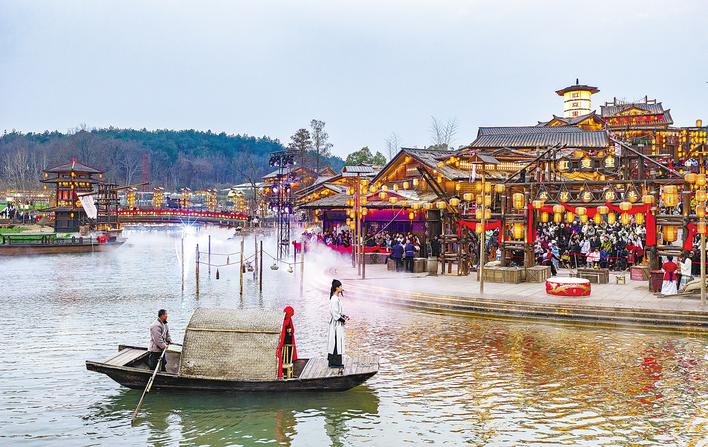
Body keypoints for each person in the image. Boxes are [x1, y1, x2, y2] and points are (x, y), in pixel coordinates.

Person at [327, 280, 348, 369]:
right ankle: (335, 363)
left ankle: (332, 361)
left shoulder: (335, 298)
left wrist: (343, 316)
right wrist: (342, 319)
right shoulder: (334, 299)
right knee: (336, 342)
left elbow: (337, 312)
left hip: (336, 324)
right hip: (336, 325)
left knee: (335, 342)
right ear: (337, 288)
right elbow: (335, 314)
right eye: (340, 286)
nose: (342, 288)